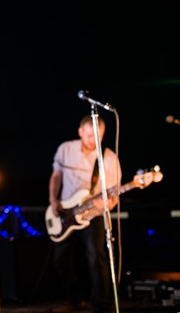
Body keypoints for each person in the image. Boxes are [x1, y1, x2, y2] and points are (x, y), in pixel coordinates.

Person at [48, 115, 122, 313]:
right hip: (65, 212)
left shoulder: (108, 157)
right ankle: (75, 300)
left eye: (98, 136)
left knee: (96, 257)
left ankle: (101, 304)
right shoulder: (66, 149)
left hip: (94, 214)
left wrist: (105, 203)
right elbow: (56, 176)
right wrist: (53, 201)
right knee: (60, 259)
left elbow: (114, 195)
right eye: (90, 135)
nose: (93, 141)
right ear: (80, 132)